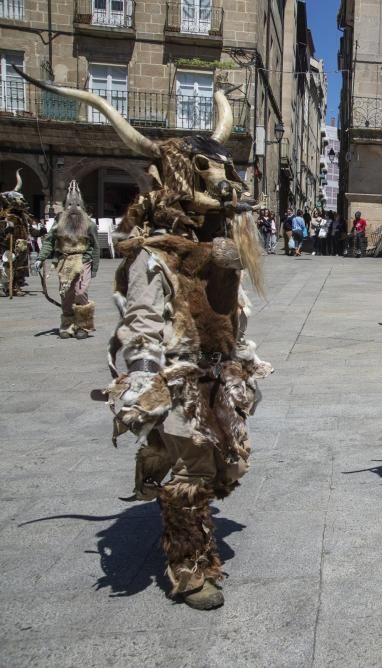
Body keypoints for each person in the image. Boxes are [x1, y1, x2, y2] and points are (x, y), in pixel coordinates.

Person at [19, 67, 273, 610]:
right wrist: (144, 380)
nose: (223, 186)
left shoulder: (217, 248)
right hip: (177, 376)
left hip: (217, 374)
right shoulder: (153, 256)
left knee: (218, 463)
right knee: (189, 470)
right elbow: (140, 324)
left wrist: (238, 343)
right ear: (179, 181)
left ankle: (187, 519)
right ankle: (190, 569)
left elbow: (232, 317)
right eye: (205, 173)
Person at [35, 181, 99, 339]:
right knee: (66, 294)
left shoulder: (89, 224)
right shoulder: (59, 224)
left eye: (77, 204)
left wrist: (94, 266)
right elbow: (49, 241)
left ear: (82, 205)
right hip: (64, 261)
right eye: (70, 204)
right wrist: (40, 258)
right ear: (65, 206)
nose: (74, 207)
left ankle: (83, 325)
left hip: (83, 260)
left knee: (80, 291)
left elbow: (95, 245)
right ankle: (68, 324)